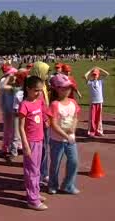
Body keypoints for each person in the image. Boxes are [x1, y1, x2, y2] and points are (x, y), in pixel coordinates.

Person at [47, 74, 80, 195]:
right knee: (55, 163)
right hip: (57, 140)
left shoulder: (73, 102)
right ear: (56, 89)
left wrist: (73, 128)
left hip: (70, 140)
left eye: (69, 87)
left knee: (74, 161)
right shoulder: (55, 105)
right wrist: (65, 136)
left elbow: (75, 117)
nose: (67, 90)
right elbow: (53, 124)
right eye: (63, 88)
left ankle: (68, 185)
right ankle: (52, 184)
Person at [19, 76, 48, 211]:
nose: (39, 93)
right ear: (28, 89)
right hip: (30, 142)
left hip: (39, 139)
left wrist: (47, 121)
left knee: (36, 170)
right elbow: (21, 127)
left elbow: (44, 115)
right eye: (36, 90)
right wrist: (25, 144)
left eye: (40, 90)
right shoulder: (24, 105)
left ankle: (35, 193)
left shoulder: (40, 101)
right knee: (32, 171)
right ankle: (32, 200)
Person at [84, 67, 109, 137]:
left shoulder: (100, 82)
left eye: (96, 75)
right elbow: (85, 76)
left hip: (99, 101)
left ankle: (99, 130)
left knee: (99, 117)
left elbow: (107, 74)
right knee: (92, 117)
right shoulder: (90, 82)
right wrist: (90, 70)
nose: (95, 76)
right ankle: (92, 131)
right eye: (93, 75)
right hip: (93, 102)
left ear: (98, 75)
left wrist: (100, 69)